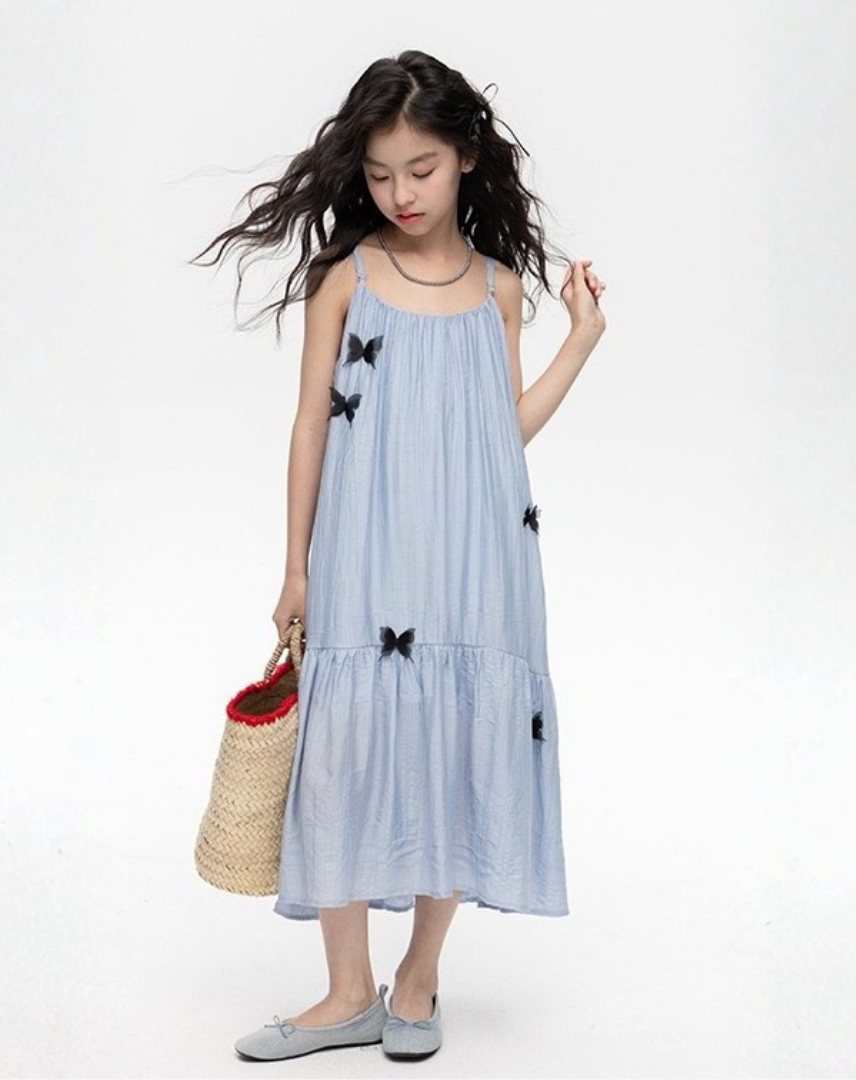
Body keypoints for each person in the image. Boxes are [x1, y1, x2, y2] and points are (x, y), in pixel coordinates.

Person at [191, 48, 607, 1062]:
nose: (400, 193)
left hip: (477, 558)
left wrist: (581, 341)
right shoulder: (347, 277)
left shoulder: (499, 289)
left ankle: (417, 979)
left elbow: (500, 435)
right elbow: (309, 425)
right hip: (364, 551)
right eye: (379, 174)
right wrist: (296, 568)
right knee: (341, 752)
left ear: (464, 156)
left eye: (420, 168)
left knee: (457, 744)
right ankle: (346, 992)